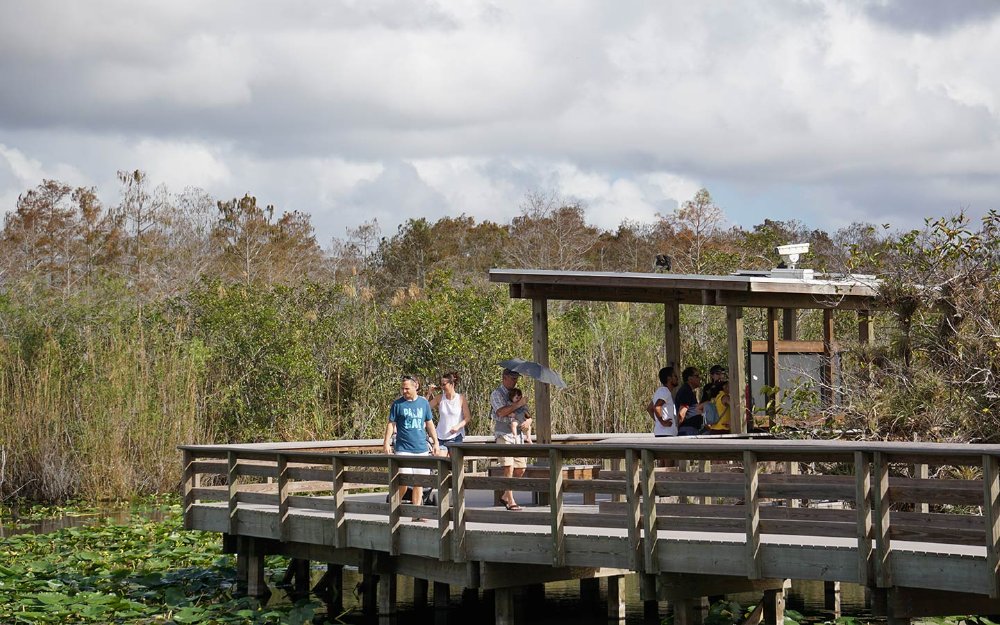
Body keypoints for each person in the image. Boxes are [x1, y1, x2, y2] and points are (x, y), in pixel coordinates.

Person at [383, 374, 440, 520]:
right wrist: (386, 443)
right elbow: (391, 424)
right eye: (402, 388)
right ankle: (395, 504)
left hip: (421, 448)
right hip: (403, 448)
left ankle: (417, 513)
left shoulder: (423, 403)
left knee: (419, 482)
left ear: (416, 387)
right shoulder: (397, 404)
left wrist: (435, 443)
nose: (404, 391)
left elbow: (429, 423)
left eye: (407, 388)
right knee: (404, 481)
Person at [491, 368, 530, 510]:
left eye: (517, 378)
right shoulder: (496, 394)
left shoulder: (518, 393)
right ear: (505, 377)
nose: (515, 381)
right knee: (509, 467)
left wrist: (528, 422)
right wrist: (517, 404)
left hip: (518, 435)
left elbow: (527, 413)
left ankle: (505, 495)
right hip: (504, 434)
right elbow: (501, 412)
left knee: (521, 468)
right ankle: (511, 501)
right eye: (513, 378)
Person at [426, 371, 472, 456]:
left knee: (455, 464)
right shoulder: (439, 398)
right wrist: (429, 393)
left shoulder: (461, 398)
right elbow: (424, 408)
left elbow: (467, 417)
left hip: (456, 437)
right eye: (441, 384)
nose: (442, 387)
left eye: (444, 384)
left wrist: (458, 426)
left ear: (452, 384)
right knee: (440, 461)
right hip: (441, 436)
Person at [647, 366, 678, 437]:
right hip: (666, 433)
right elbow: (657, 406)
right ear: (669, 378)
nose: (677, 378)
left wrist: (658, 422)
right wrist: (662, 422)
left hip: (661, 432)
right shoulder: (665, 391)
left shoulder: (659, 391)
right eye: (675, 376)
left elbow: (649, 408)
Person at [675, 366, 704, 435]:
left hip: (691, 429)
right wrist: (676, 429)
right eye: (697, 376)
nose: (699, 378)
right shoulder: (686, 391)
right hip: (688, 430)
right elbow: (682, 413)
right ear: (689, 378)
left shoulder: (689, 391)